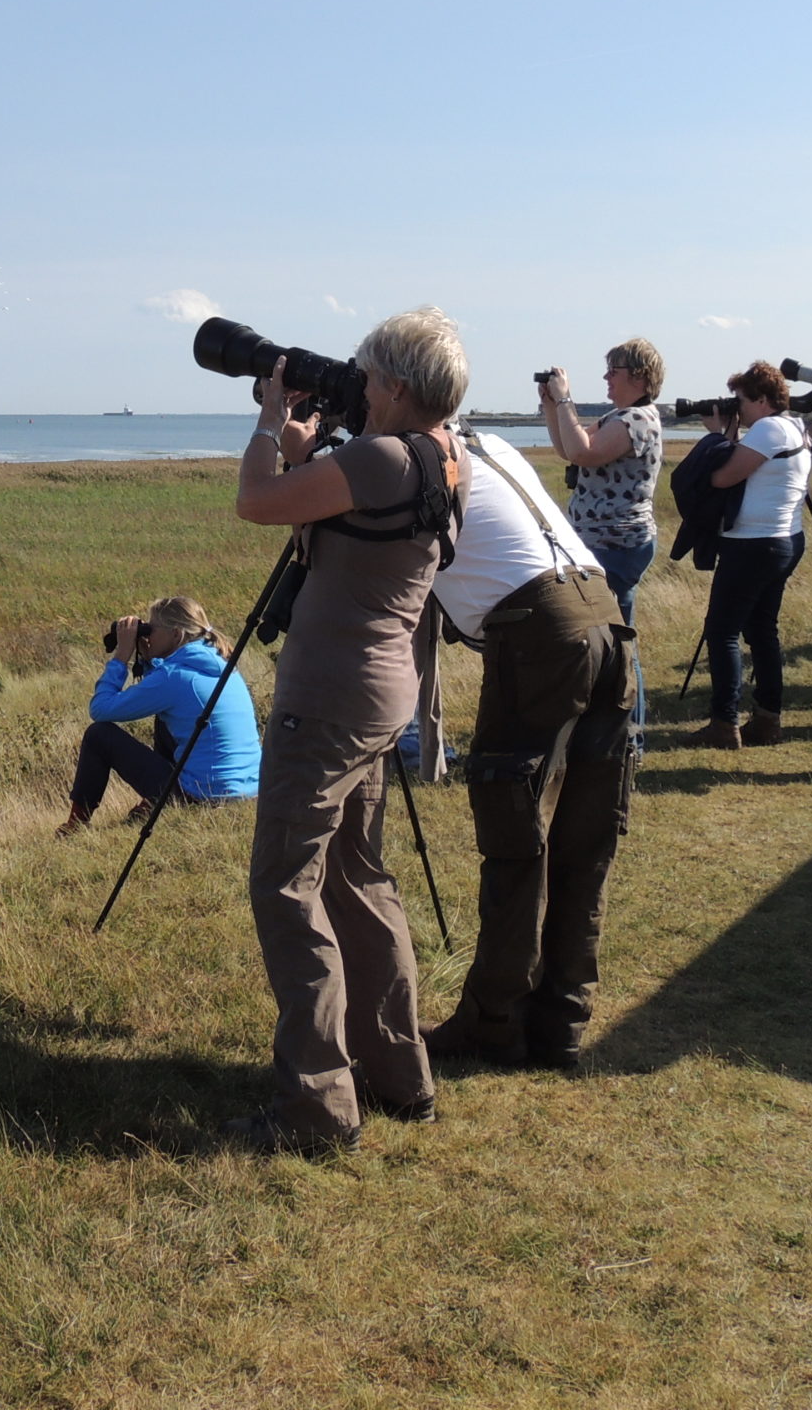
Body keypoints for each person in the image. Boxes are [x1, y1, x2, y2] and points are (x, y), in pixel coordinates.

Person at [224, 307, 468, 1155]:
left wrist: (266, 418)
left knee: (286, 888)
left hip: (326, 700)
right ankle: (401, 1071)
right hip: (382, 695)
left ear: (396, 388)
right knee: (357, 879)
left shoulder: (375, 456)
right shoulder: (447, 456)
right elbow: (346, 519)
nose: (356, 385)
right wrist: (308, 453)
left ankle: (316, 1106)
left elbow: (257, 503)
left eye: (368, 376)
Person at [417, 428, 634, 1071]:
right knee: (584, 843)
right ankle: (561, 1021)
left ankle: (495, 1024)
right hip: (603, 615)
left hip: (539, 637)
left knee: (517, 843)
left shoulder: (418, 460)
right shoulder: (489, 444)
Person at [539, 339, 665, 732]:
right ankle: (612, 731)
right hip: (603, 544)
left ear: (639, 377)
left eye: (615, 371)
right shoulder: (620, 416)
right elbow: (567, 448)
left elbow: (584, 454)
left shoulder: (637, 420)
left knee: (618, 647)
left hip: (617, 545)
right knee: (608, 644)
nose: (607, 378)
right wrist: (550, 404)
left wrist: (565, 401)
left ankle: (626, 738)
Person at [59, 595, 260, 836]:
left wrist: (121, 657)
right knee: (166, 719)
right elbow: (169, 692)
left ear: (176, 634)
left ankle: (75, 825)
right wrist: (147, 659)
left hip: (203, 798)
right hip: (250, 791)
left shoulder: (174, 676)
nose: (147, 635)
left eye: (152, 629)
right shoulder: (224, 664)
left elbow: (101, 710)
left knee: (98, 735)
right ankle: (151, 803)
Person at [692, 361, 812, 750]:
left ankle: (724, 723)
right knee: (762, 630)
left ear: (761, 400)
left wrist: (717, 436)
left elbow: (722, 477)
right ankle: (767, 719)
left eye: (741, 399)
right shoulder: (794, 425)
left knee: (723, 631)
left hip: (753, 544)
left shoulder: (767, 428)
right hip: (784, 539)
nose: (737, 407)